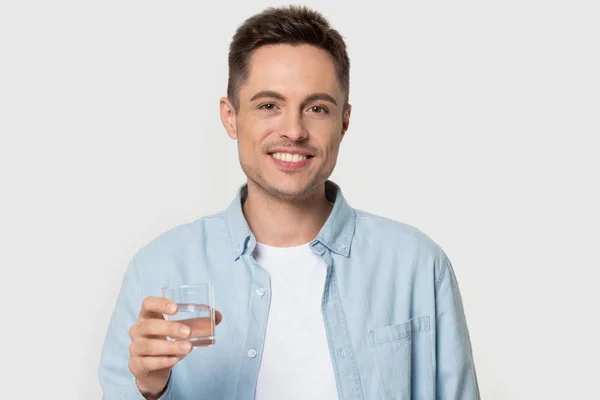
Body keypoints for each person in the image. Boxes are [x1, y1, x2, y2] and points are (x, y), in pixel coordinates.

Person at [98, 5, 480, 400]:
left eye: (317, 108)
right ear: (230, 117)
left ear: (344, 122)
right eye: (268, 105)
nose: (294, 131)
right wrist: (149, 391)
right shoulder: (158, 269)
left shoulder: (417, 266)